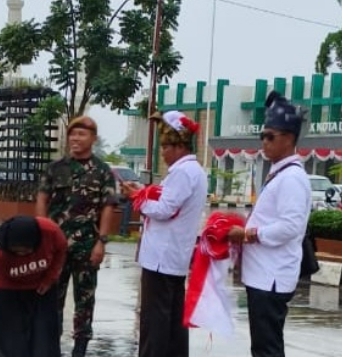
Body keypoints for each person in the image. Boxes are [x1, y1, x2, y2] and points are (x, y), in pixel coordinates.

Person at [228, 91, 311, 357]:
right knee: (263, 347)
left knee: (267, 349)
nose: (264, 142)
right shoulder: (280, 173)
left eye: (270, 136)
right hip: (263, 275)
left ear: (288, 138)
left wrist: (249, 234)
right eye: (262, 136)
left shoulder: (292, 179)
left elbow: (291, 226)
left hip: (271, 277)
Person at [36, 116, 119, 357]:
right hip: (55, 246)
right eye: (73, 134)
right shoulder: (55, 168)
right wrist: (42, 234)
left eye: (82, 134)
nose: (75, 139)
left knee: (85, 300)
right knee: (52, 298)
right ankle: (50, 348)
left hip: (87, 245)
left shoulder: (102, 171)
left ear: (93, 139)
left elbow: (108, 206)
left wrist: (101, 242)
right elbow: (42, 198)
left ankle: (80, 349)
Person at [127, 111, 208, 357]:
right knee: (172, 320)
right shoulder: (193, 171)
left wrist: (138, 200)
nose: (162, 153)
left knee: (155, 320)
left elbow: (164, 209)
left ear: (180, 146)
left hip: (161, 258)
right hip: (172, 257)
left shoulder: (183, 173)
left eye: (165, 147)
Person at [0, 215, 68, 357]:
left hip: (41, 291)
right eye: (16, 252)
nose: (22, 255)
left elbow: (61, 250)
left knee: (44, 344)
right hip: (7, 292)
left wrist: (49, 278)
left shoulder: (50, 231)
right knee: (10, 349)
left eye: (26, 251)